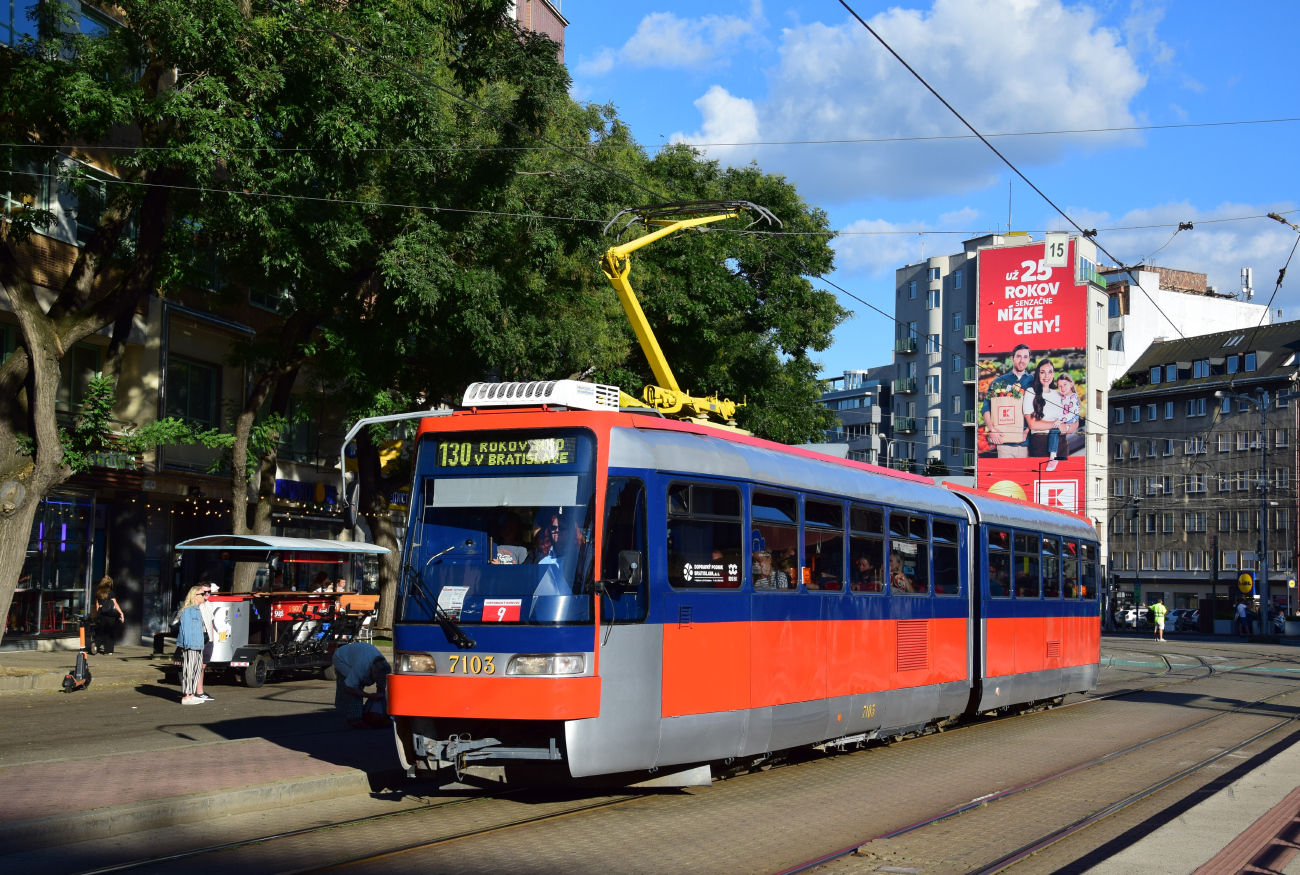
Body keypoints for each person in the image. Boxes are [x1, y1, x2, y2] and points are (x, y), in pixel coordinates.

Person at [981, 343, 1034, 458]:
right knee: (1005, 476)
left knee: (1023, 476)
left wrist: (1028, 430)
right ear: (1012, 358)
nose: (1021, 360)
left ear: (1029, 360)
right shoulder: (999, 381)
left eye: (1025, 357)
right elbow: (986, 407)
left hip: (1027, 444)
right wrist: (991, 429)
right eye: (1018, 356)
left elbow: (1039, 409)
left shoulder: (1034, 382)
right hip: (1004, 443)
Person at [332, 641, 391, 729]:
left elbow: (381, 686)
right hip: (342, 658)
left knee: (358, 685)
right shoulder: (361, 667)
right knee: (356, 686)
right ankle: (355, 720)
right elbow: (350, 688)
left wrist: (380, 703)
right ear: (371, 670)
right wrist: (369, 696)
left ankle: (354, 715)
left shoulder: (383, 666)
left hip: (359, 654)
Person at [176, 585, 209, 705]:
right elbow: (186, 629)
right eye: (202, 594)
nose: (204, 596)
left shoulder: (197, 610)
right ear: (195, 596)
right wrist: (189, 646)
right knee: (188, 670)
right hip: (191, 645)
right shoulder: (188, 610)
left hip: (198, 645)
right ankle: (186, 696)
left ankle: (192, 694)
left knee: (196, 670)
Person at [1048, 373, 1081, 471]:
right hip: (1064, 420)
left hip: (1069, 421)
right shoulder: (1063, 396)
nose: (1062, 388)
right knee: (1054, 431)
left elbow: (1071, 414)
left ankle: (1052, 457)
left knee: (1054, 431)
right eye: (1059, 386)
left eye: (1065, 384)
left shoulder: (1073, 397)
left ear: (1071, 384)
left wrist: (1060, 420)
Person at [93, 575, 122, 655]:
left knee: (101, 631)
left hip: (101, 613)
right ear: (110, 584)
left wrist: (98, 613)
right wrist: (121, 613)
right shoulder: (111, 592)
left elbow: (97, 605)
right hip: (109, 614)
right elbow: (115, 604)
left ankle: (96, 644)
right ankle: (108, 650)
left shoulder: (98, 592)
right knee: (109, 632)